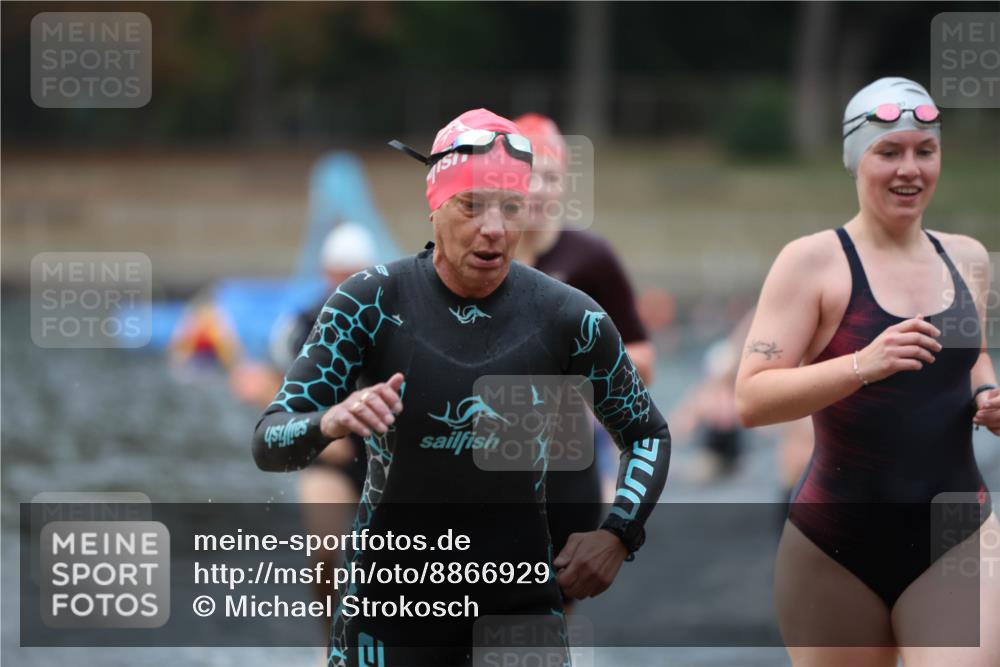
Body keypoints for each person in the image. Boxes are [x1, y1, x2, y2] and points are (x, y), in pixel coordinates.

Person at [252, 108, 672, 667]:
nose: (493, 228)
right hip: (387, 607)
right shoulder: (369, 303)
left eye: (510, 208)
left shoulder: (568, 316)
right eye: (471, 205)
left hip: (518, 606)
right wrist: (329, 421)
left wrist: (619, 533)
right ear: (435, 205)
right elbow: (268, 441)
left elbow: (647, 433)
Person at [735, 77, 999, 666]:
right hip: (835, 543)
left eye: (924, 151)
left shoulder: (968, 258)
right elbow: (751, 399)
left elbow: (971, 353)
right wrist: (861, 365)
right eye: (889, 152)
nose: (910, 169)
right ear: (856, 160)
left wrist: (987, 392)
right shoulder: (812, 263)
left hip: (955, 531)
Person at [513, 112, 657, 608]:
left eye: (549, 178)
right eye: (525, 174)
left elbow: (642, 358)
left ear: (563, 185)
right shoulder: (480, 247)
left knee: (552, 611)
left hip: (565, 458)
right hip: (485, 458)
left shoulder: (591, 258)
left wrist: (573, 377)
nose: (536, 190)